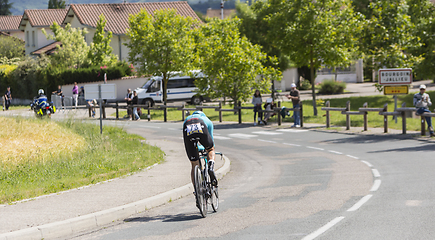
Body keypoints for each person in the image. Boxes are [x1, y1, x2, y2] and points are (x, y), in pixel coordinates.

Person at [183, 111, 217, 195]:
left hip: (187, 126)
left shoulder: (187, 119)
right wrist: (208, 149)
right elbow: (211, 141)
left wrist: (196, 149)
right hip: (202, 126)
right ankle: (211, 167)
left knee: (194, 164)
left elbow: (187, 140)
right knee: (210, 149)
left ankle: (197, 191)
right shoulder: (207, 120)